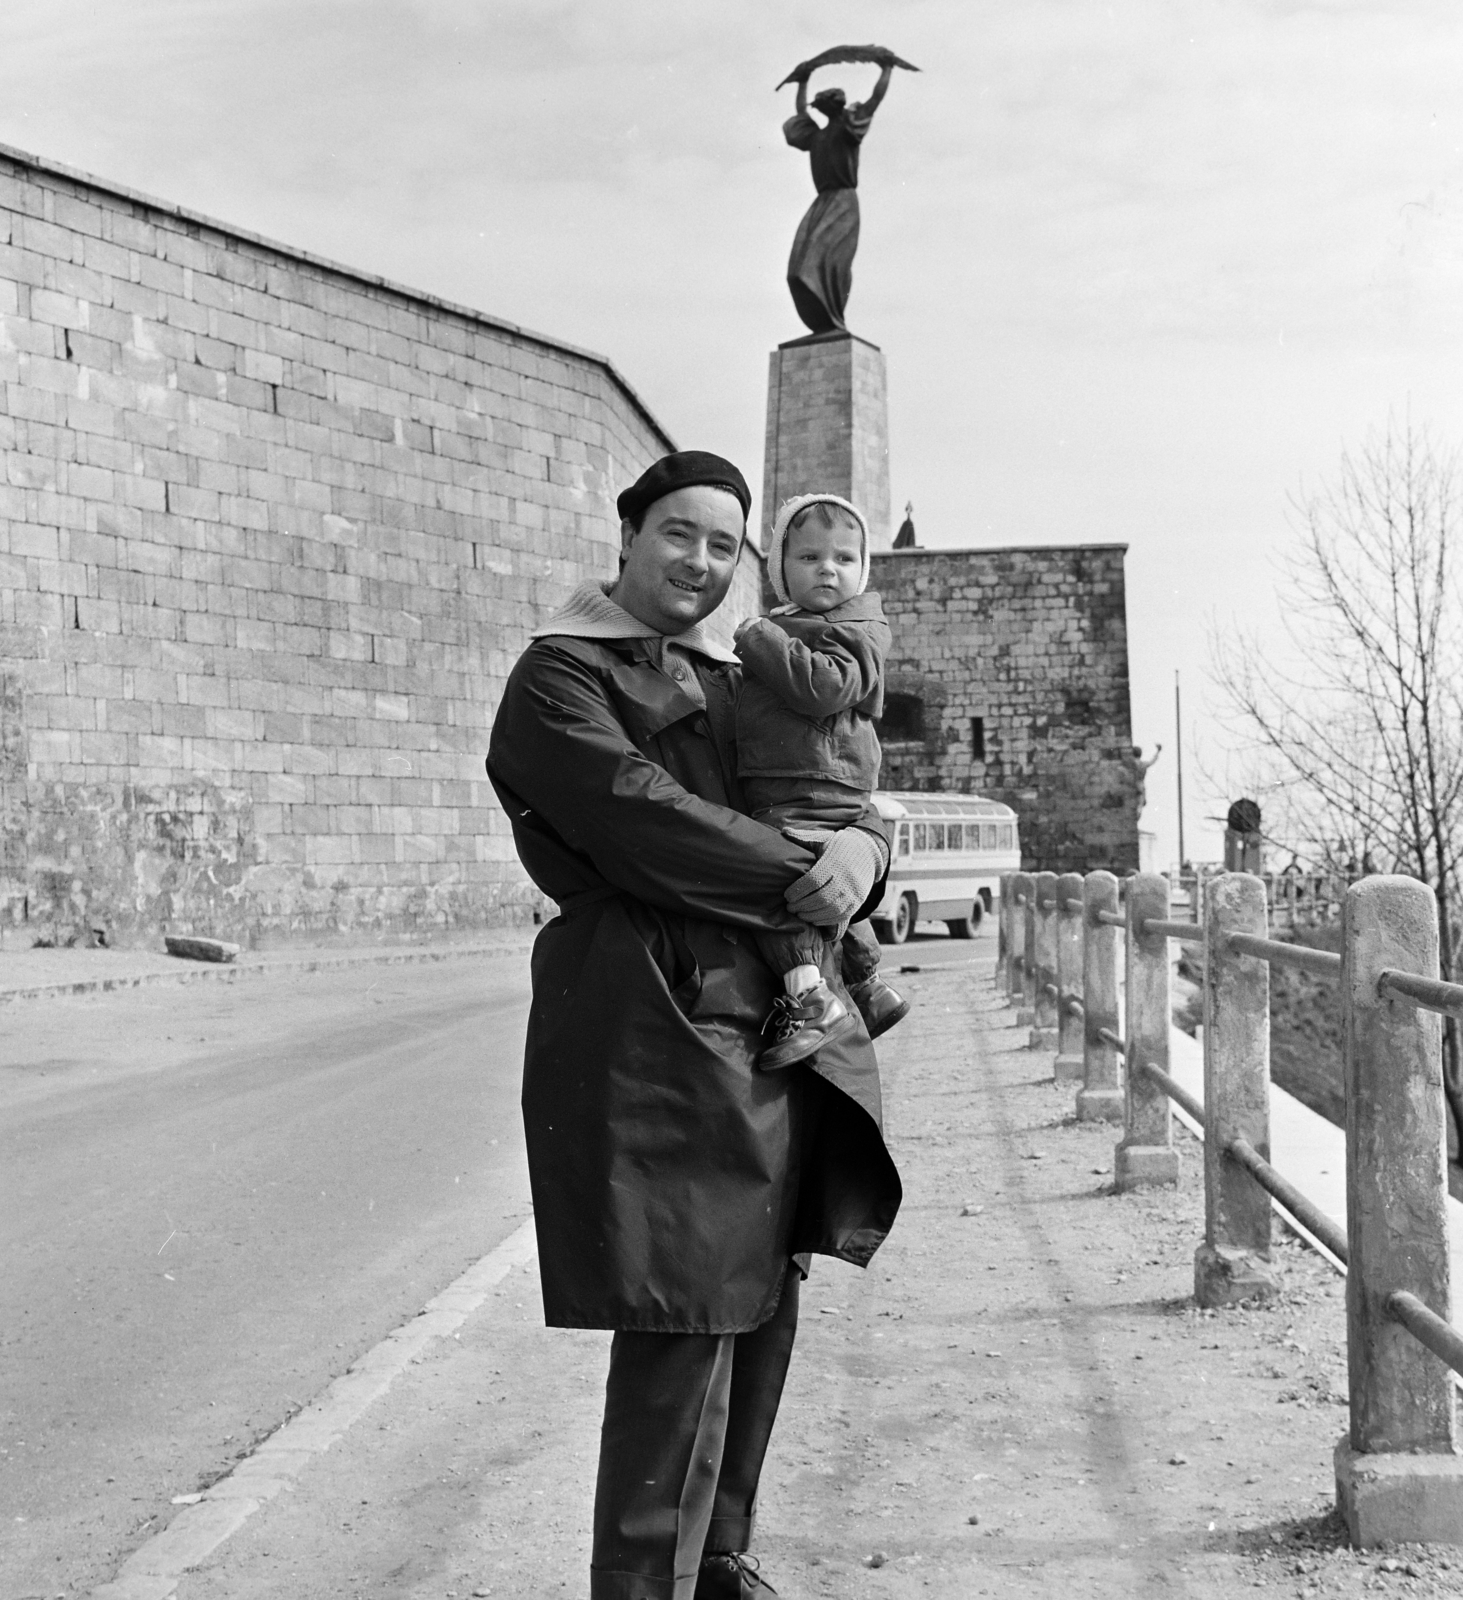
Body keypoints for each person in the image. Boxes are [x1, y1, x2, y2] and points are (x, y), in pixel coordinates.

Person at [486, 450, 903, 1600]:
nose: (702, 562)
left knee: (760, 1302)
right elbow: (647, 821)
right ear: (626, 537)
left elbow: (829, 776)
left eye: (726, 545)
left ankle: (721, 1561)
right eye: (680, 534)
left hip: (765, 1026)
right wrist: (815, 873)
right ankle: (641, 1588)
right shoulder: (560, 678)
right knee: (683, 1317)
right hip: (655, 1024)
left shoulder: (728, 674)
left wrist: (870, 846)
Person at [734, 493, 910, 1070]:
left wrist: (760, 640)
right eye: (809, 557)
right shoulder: (803, 624)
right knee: (824, 884)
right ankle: (866, 986)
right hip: (802, 778)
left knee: (774, 879)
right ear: (780, 568)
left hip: (817, 783)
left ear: (864, 569)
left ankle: (810, 996)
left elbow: (825, 688)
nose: (827, 569)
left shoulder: (856, 627)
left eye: (843, 558)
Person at [781, 63, 894, 334]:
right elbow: (800, 113)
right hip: (823, 203)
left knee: (829, 260)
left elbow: (875, 99)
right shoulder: (816, 136)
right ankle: (824, 320)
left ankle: (834, 318)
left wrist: (886, 69)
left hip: (843, 203)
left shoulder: (848, 128)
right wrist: (802, 83)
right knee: (798, 270)